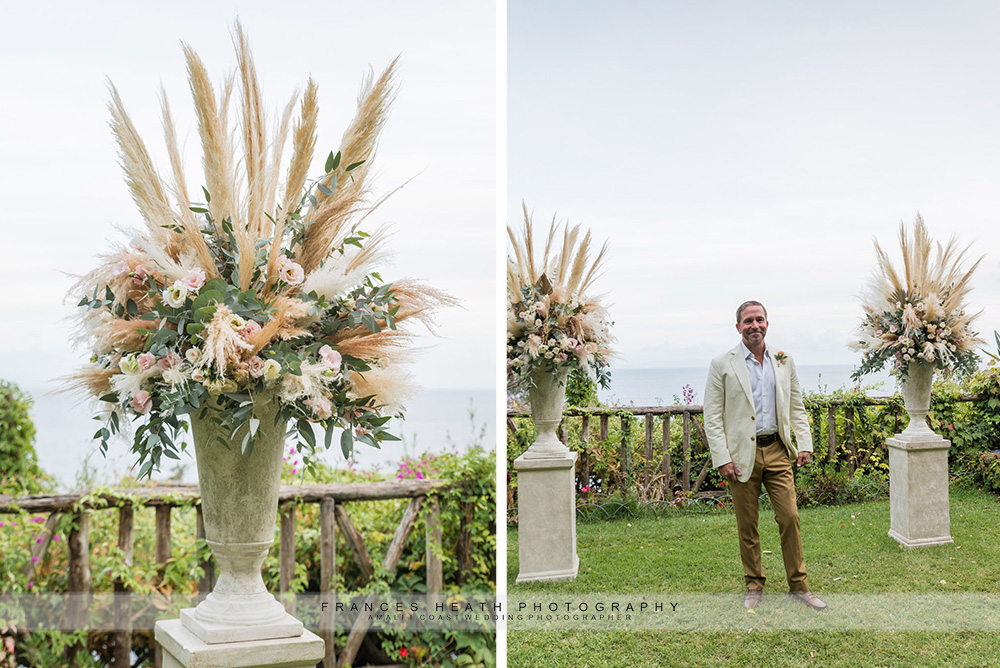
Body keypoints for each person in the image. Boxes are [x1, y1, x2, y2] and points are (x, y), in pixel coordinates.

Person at [703, 300, 827, 611]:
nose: (754, 325)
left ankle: (799, 586)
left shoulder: (784, 360)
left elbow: (796, 405)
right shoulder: (722, 364)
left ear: (767, 324)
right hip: (740, 454)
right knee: (748, 524)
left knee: (790, 518)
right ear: (738, 327)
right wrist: (722, 458)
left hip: (777, 449)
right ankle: (754, 584)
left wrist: (805, 444)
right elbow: (712, 416)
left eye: (759, 320)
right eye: (748, 321)